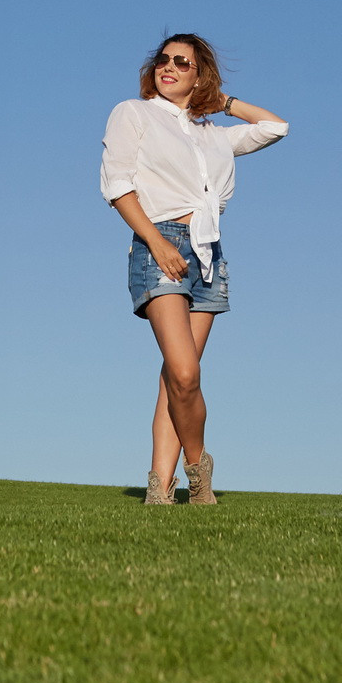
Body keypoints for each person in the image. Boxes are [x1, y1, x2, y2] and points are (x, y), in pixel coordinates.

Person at [99, 35, 287, 506]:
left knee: (173, 378)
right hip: (159, 243)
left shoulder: (212, 134)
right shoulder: (133, 113)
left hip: (208, 254)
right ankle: (199, 471)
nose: (168, 67)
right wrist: (157, 242)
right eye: (162, 60)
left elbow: (275, 127)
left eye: (182, 63)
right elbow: (117, 185)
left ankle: (159, 489)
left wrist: (220, 102)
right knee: (184, 374)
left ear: (198, 74)